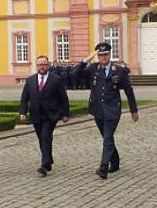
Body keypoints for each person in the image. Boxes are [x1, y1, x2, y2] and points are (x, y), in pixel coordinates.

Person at [70, 42, 138, 179]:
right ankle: (116, 161)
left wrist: (133, 110)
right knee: (107, 137)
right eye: (100, 55)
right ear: (97, 56)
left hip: (113, 109)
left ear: (110, 54)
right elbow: (74, 74)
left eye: (106, 54)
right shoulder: (92, 69)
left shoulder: (119, 70)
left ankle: (103, 167)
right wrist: (86, 60)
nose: (103, 57)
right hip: (97, 110)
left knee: (107, 137)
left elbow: (129, 91)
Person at [19, 55, 70, 175]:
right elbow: (24, 97)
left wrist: (65, 114)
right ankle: (48, 159)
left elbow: (63, 98)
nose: (42, 67)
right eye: (40, 65)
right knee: (41, 138)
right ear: (36, 66)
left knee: (46, 137)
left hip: (51, 114)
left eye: (44, 64)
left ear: (48, 65)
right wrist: (22, 111)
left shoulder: (56, 79)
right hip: (36, 114)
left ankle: (45, 165)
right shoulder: (30, 80)